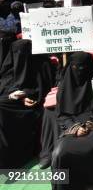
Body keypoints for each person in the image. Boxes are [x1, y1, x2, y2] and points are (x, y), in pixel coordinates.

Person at [51, 51, 93, 190]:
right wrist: (75, 127)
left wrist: (88, 126)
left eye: (84, 68)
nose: (80, 71)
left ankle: (90, 184)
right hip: (72, 127)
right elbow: (61, 114)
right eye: (76, 67)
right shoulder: (65, 86)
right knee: (59, 153)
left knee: (89, 149)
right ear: (71, 67)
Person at [0, 37, 53, 168]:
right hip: (10, 103)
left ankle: (14, 156)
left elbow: (44, 87)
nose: (19, 57)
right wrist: (14, 95)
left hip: (30, 107)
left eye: (22, 53)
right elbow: (5, 86)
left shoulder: (41, 64)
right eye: (16, 53)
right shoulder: (10, 68)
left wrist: (26, 94)